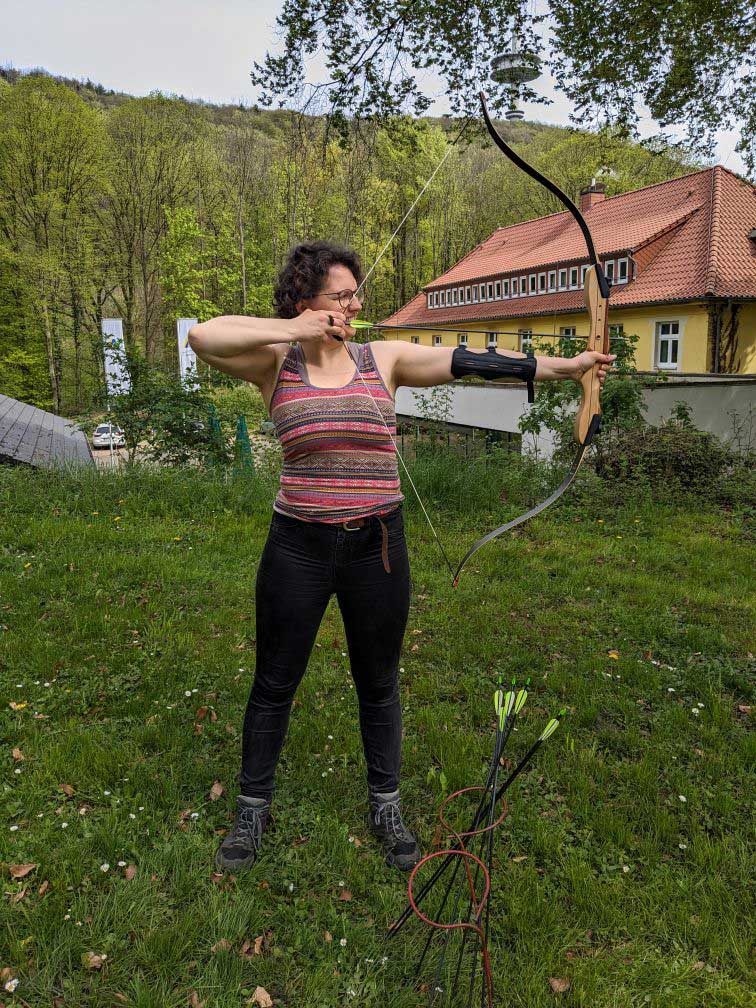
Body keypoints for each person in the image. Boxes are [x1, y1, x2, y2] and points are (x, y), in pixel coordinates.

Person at [188, 239, 615, 874]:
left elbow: (466, 362)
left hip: (376, 547)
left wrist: (567, 368)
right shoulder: (273, 360)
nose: (354, 305)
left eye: (357, 294)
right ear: (306, 300)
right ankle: (253, 806)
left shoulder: (379, 357)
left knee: (379, 681)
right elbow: (201, 335)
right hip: (297, 546)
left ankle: (385, 804)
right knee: (275, 681)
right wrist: (296, 328)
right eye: (341, 295)